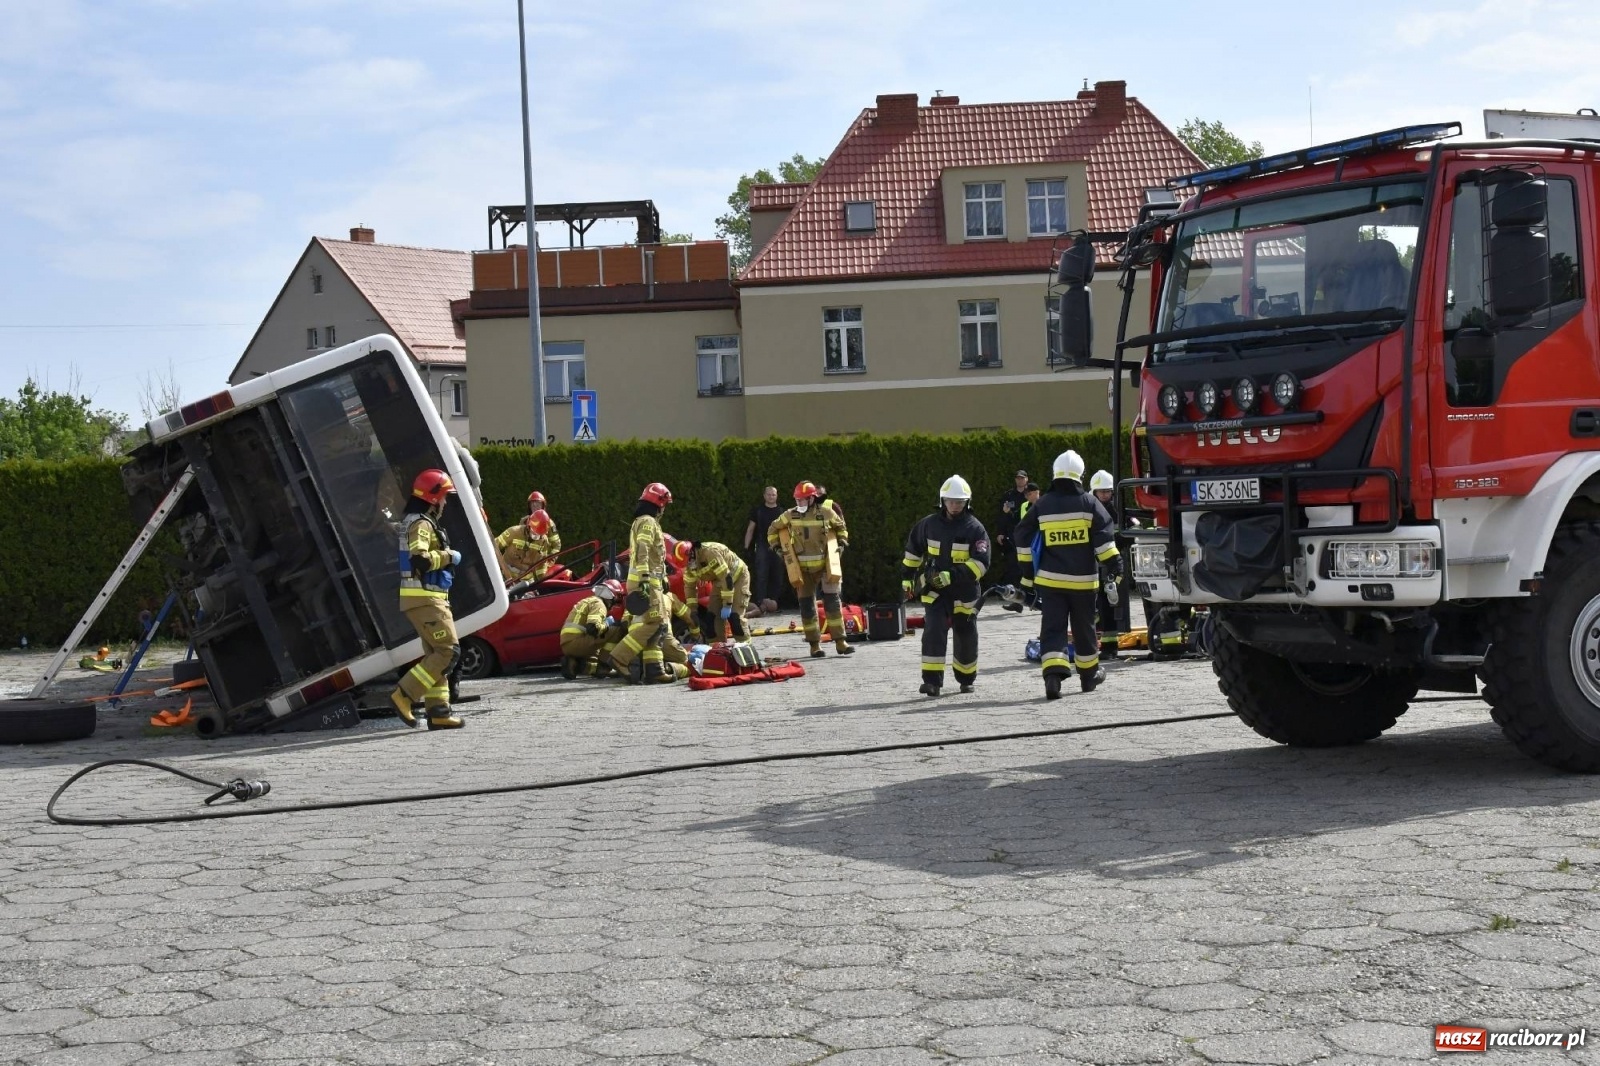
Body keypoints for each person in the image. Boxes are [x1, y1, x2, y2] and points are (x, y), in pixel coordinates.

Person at [1013, 450, 1122, 699]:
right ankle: (1089, 676)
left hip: (1050, 582)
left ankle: (1053, 677)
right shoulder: (1089, 503)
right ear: (1080, 475)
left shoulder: (1042, 504)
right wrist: (1115, 564)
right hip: (1083, 582)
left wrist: (1027, 570)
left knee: (1053, 628)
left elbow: (1022, 535)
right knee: (1084, 629)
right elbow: (1104, 539)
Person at [388, 468, 466, 729]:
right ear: (434, 499)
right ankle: (404, 694)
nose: (445, 503)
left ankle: (439, 711)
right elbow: (419, 559)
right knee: (448, 651)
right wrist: (449, 556)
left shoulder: (417, 521)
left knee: (437, 653)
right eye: (444, 497)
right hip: (425, 598)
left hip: (426, 598)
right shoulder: (421, 523)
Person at [901, 475, 990, 696]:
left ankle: (966, 679)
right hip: (935, 591)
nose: (954, 505)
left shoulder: (975, 529)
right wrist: (907, 577)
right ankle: (931, 682)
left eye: (959, 502)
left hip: (965, 591)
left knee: (966, 634)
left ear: (967, 502)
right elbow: (913, 550)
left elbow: (981, 563)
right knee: (933, 631)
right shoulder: (928, 525)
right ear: (942, 500)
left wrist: (952, 575)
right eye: (950, 501)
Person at [768, 481, 854, 658]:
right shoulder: (790, 515)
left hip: (825, 566)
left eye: (802, 500)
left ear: (812, 499)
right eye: (797, 500)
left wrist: (842, 542)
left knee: (833, 603)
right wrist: (777, 548)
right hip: (802, 569)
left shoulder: (826, 513)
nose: (798, 503)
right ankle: (814, 645)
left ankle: (840, 642)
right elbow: (772, 530)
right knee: (807, 607)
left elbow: (841, 528)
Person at [610, 482, 675, 683]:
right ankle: (620, 657)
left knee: (656, 624)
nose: (664, 509)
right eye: (664, 504)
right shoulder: (648, 522)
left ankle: (654, 669)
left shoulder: (641, 521)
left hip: (646, 581)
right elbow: (642, 549)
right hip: (645, 582)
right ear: (659, 503)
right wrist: (647, 579)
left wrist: (662, 577)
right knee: (656, 623)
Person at [1089, 469, 1133, 656]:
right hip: (1092, 563)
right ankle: (1102, 641)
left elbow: (1132, 529)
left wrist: (1121, 540)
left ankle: (1109, 645)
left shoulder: (1118, 510)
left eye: (1108, 491)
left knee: (1111, 602)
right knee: (1095, 603)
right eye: (1102, 492)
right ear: (1095, 492)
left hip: (1113, 563)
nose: (1105, 495)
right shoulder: (1089, 510)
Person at [677, 539, 751, 640]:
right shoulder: (688, 567)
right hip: (720, 581)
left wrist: (727, 604)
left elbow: (726, 578)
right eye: (686, 564)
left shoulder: (710, 553)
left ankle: (746, 648)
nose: (689, 565)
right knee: (711, 621)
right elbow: (690, 589)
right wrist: (693, 611)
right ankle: (719, 651)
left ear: (692, 552)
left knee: (735, 619)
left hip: (738, 577)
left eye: (689, 561)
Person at [559, 580, 626, 678]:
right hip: (577, 642)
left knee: (597, 655)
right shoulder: (600, 604)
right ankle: (604, 668)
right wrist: (608, 623)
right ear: (612, 596)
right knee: (616, 629)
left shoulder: (590, 600)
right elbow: (593, 628)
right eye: (616, 600)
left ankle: (575, 665)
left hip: (568, 644)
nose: (614, 605)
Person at [496, 491, 563, 584]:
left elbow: (555, 546)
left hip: (527, 577)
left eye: (538, 504)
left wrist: (548, 564)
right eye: (533, 504)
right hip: (507, 573)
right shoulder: (520, 526)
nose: (535, 506)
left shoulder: (547, 527)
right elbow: (499, 545)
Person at [744, 486, 785, 615]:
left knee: (778, 575)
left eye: (773, 494)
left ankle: (774, 603)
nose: (771, 497)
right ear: (764, 495)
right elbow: (750, 529)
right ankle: (761, 604)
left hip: (778, 546)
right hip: (762, 545)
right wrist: (746, 548)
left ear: (777, 496)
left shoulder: (782, 512)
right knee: (761, 575)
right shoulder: (758, 511)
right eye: (769, 494)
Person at [995, 470, 1030, 584]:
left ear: (1026, 479)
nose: (1020, 480)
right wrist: (1000, 532)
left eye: (1022, 478)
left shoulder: (1030, 495)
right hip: (1011, 534)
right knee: (1012, 563)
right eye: (1018, 478)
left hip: (1027, 534)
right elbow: (1003, 514)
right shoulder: (1009, 495)